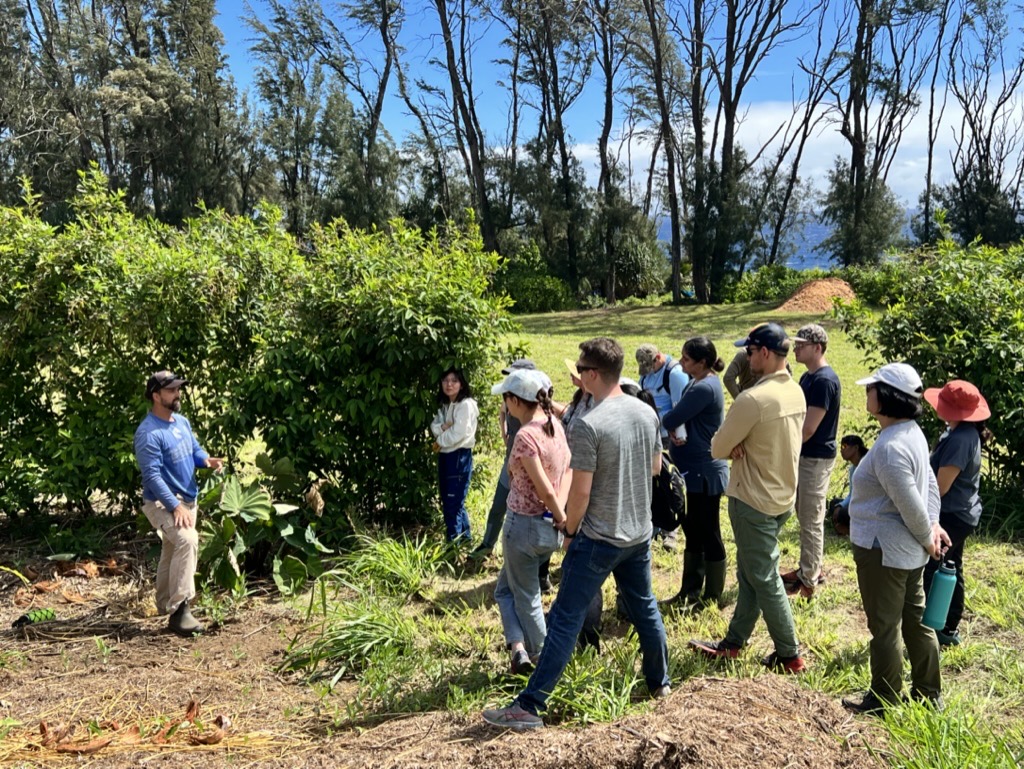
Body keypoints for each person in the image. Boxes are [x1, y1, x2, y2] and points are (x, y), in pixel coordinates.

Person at [483, 337, 670, 730]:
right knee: (645, 607)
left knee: (565, 618)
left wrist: (569, 529)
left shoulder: (589, 424)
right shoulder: (644, 411)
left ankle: (530, 705)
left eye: (581, 369)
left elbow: (580, 492)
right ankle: (660, 683)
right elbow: (655, 467)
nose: (578, 376)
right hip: (638, 533)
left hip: (598, 537)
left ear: (593, 374)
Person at [689, 322, 807, 674]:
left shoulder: (752, 398)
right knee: (751, 574)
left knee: (764, 577)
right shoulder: (796, 391)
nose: (745, 357)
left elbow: (717, 447)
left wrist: (736, 443)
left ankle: (790, 655)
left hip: (752, 500)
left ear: (765, 353)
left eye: (750, 351)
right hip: (782, 496)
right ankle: (733, 643)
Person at [842, 363, 950, 715]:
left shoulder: (889, 448)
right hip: (908, 553)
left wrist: (928, 534)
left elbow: (910, 504)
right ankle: (928, 693)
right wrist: (932, 527)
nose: (866, 392)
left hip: (883, 552)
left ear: (886, 396)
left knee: (884, 628)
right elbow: (929, 485)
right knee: (917, 623)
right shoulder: (912, 432)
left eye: (871, 386)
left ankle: (884, 697)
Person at [491, 368, 571, 674]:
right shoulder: (555, 426)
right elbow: (564, 475)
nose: (505, 405)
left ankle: (545, 662)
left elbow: (544, 487)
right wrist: (559, 517)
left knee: (528, 597)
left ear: (515, 399)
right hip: (546, 527)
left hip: (522, 526)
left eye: (506, 399)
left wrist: (562, 518)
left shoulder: (526, 435)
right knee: (504, 590)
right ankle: (518, 650)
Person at [134, 370, 224, 637]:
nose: (177, 393)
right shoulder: (148, 433)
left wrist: (206, 461)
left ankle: (163, 603)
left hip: (187, 500)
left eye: (178, 389)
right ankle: (179, 611)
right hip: (163, 504)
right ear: (156, 395)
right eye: (171, 390)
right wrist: (175, 506)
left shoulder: (181, 422)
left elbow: (194, 450)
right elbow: (151, 476)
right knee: (187, 540)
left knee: (172, 550)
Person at [661, 336, 730, 610]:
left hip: (704, 472)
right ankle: (689, 590)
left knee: (709, 531)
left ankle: (712, 596)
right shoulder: (696, 381)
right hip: (692, 470)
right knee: (692, 530)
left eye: (686, 359)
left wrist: (671, 424)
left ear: (702, 362)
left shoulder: (705, 388)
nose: (680, 362)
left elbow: (671, 418)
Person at [922, 379, 992, 647]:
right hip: (964, 512)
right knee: (951, 567)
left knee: (934, 568)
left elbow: (939, 488)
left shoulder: (961, 440)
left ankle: (935, 626)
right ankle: (948, 626)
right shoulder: (960, 431)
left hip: (953, 515)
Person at [781, 324, 842, 600]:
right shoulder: (808, 377)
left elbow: (808, 429)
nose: (796, 349)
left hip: (815, 458)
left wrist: (785, 448)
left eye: (801, 345)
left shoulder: (824, 381)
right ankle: (809, 568)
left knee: (811, 518)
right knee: (803, 514)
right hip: (804, 456)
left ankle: (810, 580)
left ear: (818, 348)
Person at [470, 359, 538, 563]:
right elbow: (502, 411)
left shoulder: (533, 402)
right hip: (509, 462)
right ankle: (487, 545)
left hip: (529, 466)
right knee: (498, 505)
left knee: (527, 511)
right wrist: (504, 431)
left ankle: (528, 558)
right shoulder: (510, 397)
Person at [430, 367, 479, 542]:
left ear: (462, 384)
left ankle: (453, 546)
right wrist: (443, 428)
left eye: (454, 380)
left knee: (453, 504)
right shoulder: (446, 404)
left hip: (458, 457)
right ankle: (465, 540)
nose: (449, 384)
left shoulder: (466, 405)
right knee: (452, 502)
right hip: (446, 455)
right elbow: (434, 426)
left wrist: (439, 440)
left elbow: (459, 434)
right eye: (445, 380)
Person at [636, 343, 690, 448]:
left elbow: (681, 409)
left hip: (667, 436)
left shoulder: (675, 374)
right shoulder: (645, 374)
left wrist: (679, 435)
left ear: (658, 357)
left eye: (651, 367)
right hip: (649, 431)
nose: (649, 372)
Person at [830, 435, 869, 536]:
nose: (841, 450)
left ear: (856, 448)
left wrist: (842, 507)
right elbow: (852, 493)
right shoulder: (852, 468)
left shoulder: (867, 465)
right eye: (841, 447)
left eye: (845, 446)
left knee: (843, 512)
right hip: (855, 502)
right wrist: (840, 505)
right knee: (834, 504)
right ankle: (844, 529)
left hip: (866, 505)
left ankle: (851, 531)